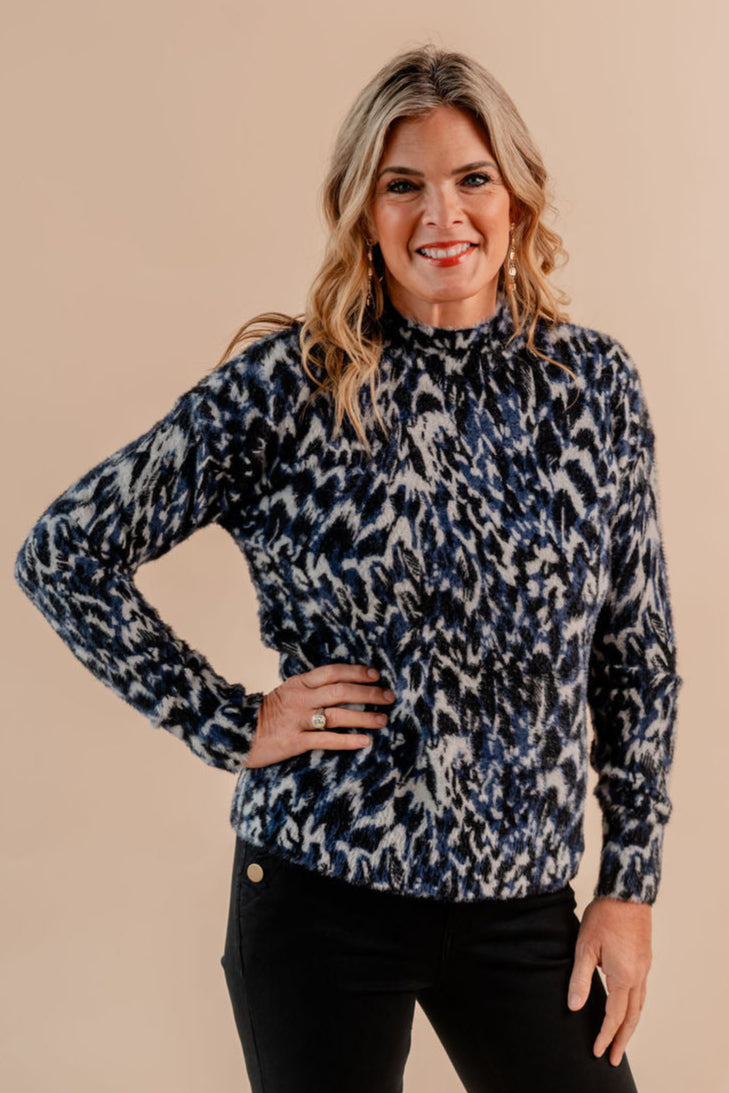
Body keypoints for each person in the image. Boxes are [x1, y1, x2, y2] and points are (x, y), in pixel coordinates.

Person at [14, 44, 682, 1093]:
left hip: (521, 907)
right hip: (321, 895)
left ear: (515, 196)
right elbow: (65, 552)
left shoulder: (590, 387)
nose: (441, 215)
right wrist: (231, 721)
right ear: (363, 210)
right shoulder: (289, 388)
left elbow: (635, 655)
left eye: (471, 178)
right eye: (401, 185)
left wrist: (629, 883)